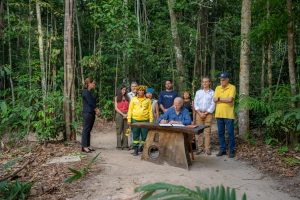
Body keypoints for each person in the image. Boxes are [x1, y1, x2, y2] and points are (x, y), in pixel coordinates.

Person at [214, 72, 236, 158]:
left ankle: (232, 150)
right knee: (220, 133)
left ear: (227, 80)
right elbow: (214, 100)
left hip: (228, 114)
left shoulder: (232, 87)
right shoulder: (217, 87)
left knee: (230, 133)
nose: (221, 81)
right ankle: (222, 149)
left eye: (223, 79)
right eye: (220, 79)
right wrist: (224, 99)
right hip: (219, 114)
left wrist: (219, 99)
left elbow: (230, 99)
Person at [127, 85, 153, 156]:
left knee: (144, 136)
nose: (141, 91)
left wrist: (151, 121)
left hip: (145, 120)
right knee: (135, 135)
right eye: (139, 90)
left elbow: (150, 111)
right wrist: (129, 119)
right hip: (135, 120)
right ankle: (135, 150)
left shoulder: (148, 100)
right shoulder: (133, 99)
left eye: (142, 90)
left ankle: (143, 149)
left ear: (144, 92)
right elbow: (130, 110)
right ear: (137, 91)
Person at [194, 77, 215, 155]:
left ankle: (207, 149)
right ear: (202, 83)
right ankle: (200, 148)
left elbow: (213, 104)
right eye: (203, 82)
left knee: (207, 132)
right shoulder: (198, 92)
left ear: (209, 83)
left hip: (208, 114)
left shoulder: (213, 93)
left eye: (206, 82)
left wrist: (206, 113)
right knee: (199, 132)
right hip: (199, 114)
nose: (205, 83)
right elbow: (195, 103)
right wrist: (199, 113)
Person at [81, 77, 99, 153]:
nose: (94, 85)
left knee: (89, 130)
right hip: (87, 113)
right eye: (93, 83)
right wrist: (96, 109)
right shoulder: (85, 92)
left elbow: (93, 101)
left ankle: (87, 145)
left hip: (91, 113)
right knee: (86, 129)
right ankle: (84, 146)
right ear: (89, 83)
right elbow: (91, 103)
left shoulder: (90, 92)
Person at [114, 85, 129, 150]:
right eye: (123, 89)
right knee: (119, 130)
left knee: (127, 130)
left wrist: (127, 114)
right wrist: (123, 114)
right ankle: (119, 145)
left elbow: (130, 107)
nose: (124, 91)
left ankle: (125, 145)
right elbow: (116, 108)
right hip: (119, 114)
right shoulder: (116, 97)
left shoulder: (128, 98)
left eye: (125, 90)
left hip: (127, 114)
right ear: (120, 90)